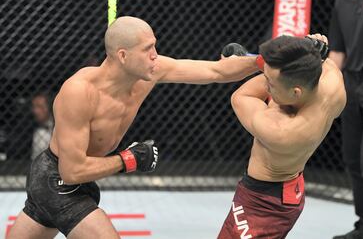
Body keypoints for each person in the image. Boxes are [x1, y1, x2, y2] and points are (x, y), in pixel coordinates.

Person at [7, 16, 262, 239]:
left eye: (155, 46)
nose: (155, 55)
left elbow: (217, 70)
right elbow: (72, 171)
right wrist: (128, 159)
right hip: (57, 182)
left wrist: (265, 61)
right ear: (122, 56)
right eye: (147, 49)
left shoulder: (151, 71)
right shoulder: (80, 91)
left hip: (81, 177)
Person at [217, 34, 347, 239]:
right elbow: (320, 62)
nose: (267, 86)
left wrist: (258, 63)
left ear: (296, 92)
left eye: (271, 83)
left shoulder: (281, 130)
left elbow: (241, 96)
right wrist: (312, 50)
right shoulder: (333, 85)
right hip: (286, 191)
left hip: (264, 203)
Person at [329, 0, 363, 238]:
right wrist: (325, 87)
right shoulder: (342, 1)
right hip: (350, 83)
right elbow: (337, 52)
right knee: (353, 157)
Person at [31, 92, 54, 160]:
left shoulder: (57, 128)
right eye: (34, 107)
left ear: (49, 107)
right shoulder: (29, 128)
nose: (35, 111)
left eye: (40, 107)